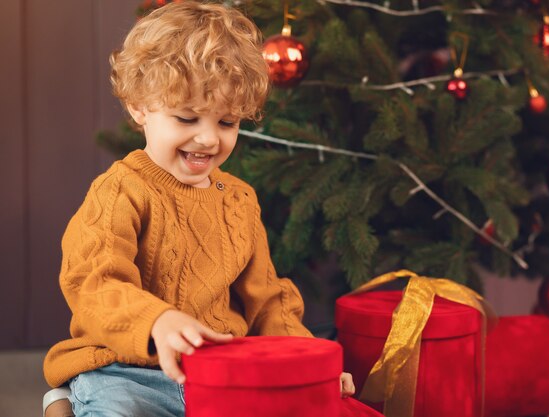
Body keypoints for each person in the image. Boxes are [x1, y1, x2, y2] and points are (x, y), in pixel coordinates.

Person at [43, 2, 354, 416]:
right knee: (121, 409)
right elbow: (93, 284)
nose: (208, 139)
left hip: (219, 373)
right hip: (127, 369)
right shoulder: (120, 190)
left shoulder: (239, 200)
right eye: (187, 118)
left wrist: (308, 363)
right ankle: (67, 402)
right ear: (139, 107)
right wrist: (156, 321)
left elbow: (268, 301)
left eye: (227, 123)